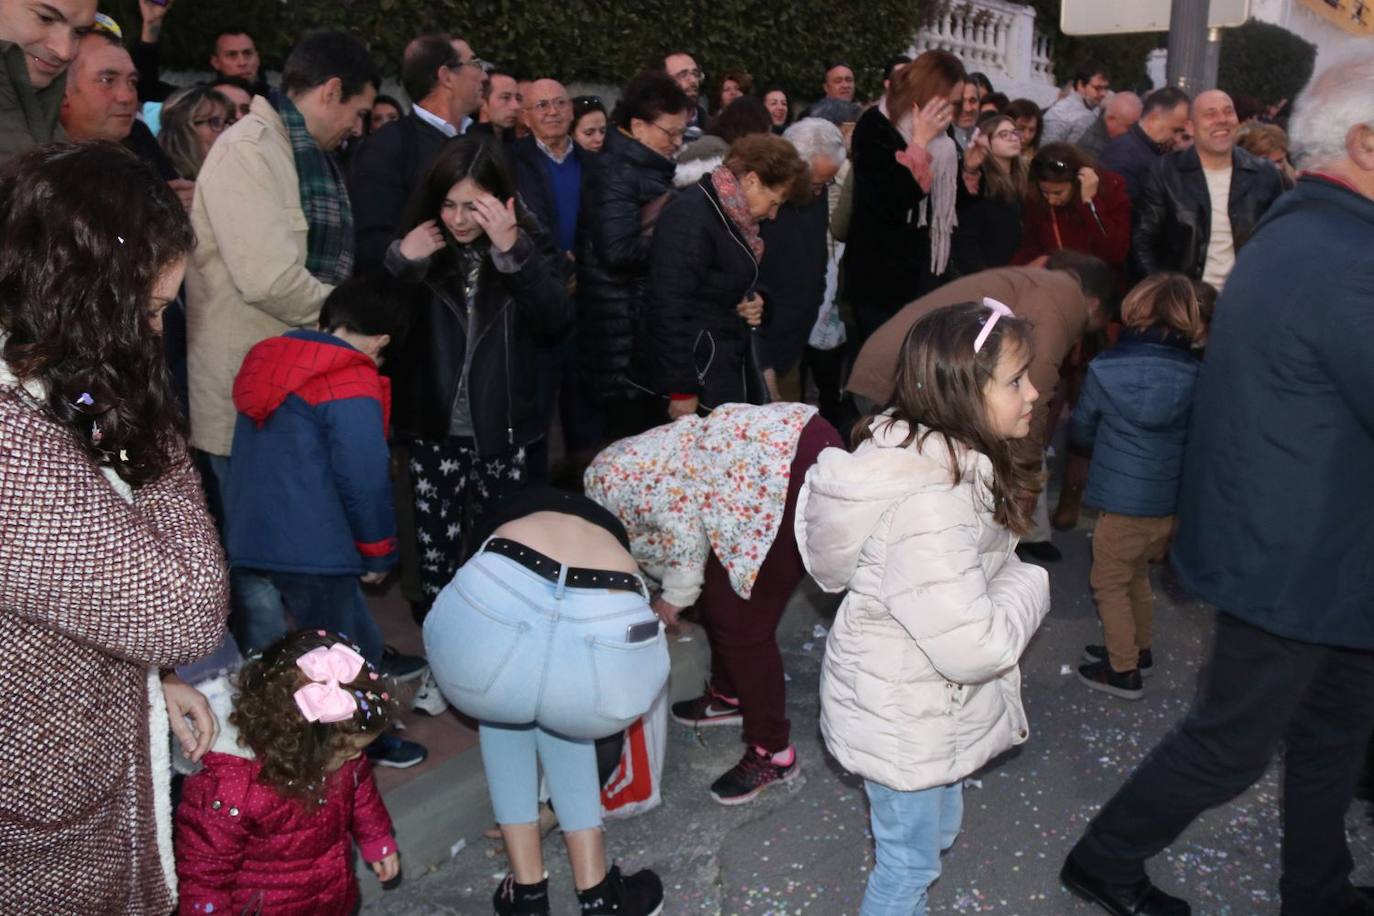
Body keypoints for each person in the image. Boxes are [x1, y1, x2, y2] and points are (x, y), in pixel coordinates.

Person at [1062, 51, 1374, 916]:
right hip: (1295, 555)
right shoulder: (1344, 255)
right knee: (1233, 743)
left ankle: (1318, 888)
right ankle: (1105, 859)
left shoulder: (1310, 229)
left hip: (1320, 543)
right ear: (1365, 142)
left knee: (1334, 730)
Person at [0, 142, 228, 913]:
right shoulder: (12, 443)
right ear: (90, 295)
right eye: (152, 310)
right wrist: (153, 425)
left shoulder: (50, 384)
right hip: (35, 843)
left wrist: (150, 681)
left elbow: (78, 578)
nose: (157, 333)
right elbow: (185, 608)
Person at [798, 300, 1050, 916]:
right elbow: (978, 645)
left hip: (918, 704)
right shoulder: (934, 501)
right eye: (1015, 381)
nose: (1035, 393)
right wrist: (1032, 582)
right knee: (907, 867)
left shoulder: (952, 463)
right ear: (963, 392)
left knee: (930, 836)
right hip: (906, 711)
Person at [187, 29, 378, 651]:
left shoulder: (299, 151)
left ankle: (315, 702)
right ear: (330, 91)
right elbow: (268, 277)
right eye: (356, 111)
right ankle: (283, 713)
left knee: (290, 559)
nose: (356, 128)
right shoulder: (251, 149)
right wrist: (347, 327)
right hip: (251, 399)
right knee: (262, 573)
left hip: (291, 386)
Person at [423, 488, 668, 916]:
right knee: (567, 705)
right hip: (605, 602)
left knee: (503, 706)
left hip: (503, 586)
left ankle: (528, 893)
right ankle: (597, 895)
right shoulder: (605, 527)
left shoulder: (510, 510)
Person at [588, 403, 844, 804]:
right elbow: (679, 537)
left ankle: (773, 753)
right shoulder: (606, 476)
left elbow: (682, 534)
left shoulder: (613, 493)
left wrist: (671, 602)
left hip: (785, 469)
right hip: (790, 444)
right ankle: (732, 695)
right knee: (721, 593)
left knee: (741, 622)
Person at [224, 274, 427, 765]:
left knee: (275, 656)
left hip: (250, 533)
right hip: (312, 542)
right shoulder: (349, 377)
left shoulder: (271, 358)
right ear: (381, 339)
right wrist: (378, 550)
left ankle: (276, 746)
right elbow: (364, 477)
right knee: (345, 655)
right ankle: (359, 748)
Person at [387, 135, 572, 611]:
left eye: (473, 206)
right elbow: (382, 330)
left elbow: (556, 319)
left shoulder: (525, 241)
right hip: (434, 430)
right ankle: (437, 653)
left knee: (500, 555)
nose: (459, 219)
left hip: (502, 431)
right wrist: (401, 265)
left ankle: (487, 655)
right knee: (434, 561)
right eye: (448, 205)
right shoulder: (421, 244)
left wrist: (513, 253)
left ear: (500, 200)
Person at [846, 252, 1114, 562]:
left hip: (895, 370)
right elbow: (1037, 394)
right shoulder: (1066, 298)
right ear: (1093, 304)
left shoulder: (1038, 282)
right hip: (900, 379)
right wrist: (1024, 478)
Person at [175, 630, 400, 915]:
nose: (356, 757)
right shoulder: (231, 790)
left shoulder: (339, 750)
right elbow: (204, 874)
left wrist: (377, 838)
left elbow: (362, 792)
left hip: (332, 893)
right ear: (298, 744)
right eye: (347, 751)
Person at [1070, 274, 1210, 701]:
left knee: (1108, 582)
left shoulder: (1105, 369)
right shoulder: (1199, 375)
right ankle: (1137, 648)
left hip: (1120, 500)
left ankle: (1122, 669)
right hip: (1166, 503)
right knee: (1136, 579)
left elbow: (1082, 430)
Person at [636, 133, 809, 418]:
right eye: (775, 201)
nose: (774, 214)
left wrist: (757, 300)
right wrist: (682, 390)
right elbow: (668, 306)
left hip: (717, 363)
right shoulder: (693, 215)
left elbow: (727, 278)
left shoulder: (733, 214)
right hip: (696, 373)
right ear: (752, 181)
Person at [575, 70, 689, 440]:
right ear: (638, 126)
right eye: (670, 132)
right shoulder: (616, 173)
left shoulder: (637, 167)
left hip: (632, 333)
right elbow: (617, 250)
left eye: (681, 132)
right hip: (621, 342)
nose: (677, 142)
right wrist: (679, 245)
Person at [845, 50, 981, 343]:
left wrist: (969, 169)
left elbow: (950, 209)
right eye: (949, 101)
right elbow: (888, 201)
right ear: (929, 92)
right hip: (878, 276)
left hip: (924, 272)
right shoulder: (875, 124)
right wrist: (918, 143)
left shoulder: (944, 141)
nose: (953, 111)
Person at [349, 33, 486, 274]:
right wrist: (406, 255)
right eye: (475, 64)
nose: (484, 76)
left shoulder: (483, 139)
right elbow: (369, 243)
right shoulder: (386, 146)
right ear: (446, 77)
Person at [1131, 89, 1285, 292]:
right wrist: (1168, 300)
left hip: (1247, 302)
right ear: (1190, 127)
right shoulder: (1164, 173)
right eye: (1210, 114)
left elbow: (1280, 242)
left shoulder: (1265, 175)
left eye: (1228, 112)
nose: (1221, 120)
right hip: (1185, 306)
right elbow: (1143, 242)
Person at [755, 118, 845, 402]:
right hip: (761, 341)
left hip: (797, 335)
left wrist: (815, 298)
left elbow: (815, 251)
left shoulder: (813, 193)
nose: (821, 191)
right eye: (818, 184)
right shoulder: (759, 203)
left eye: (827, 183)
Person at [1012, 143, 1131, 279]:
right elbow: (1031, 245)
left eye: (1058, 193)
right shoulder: (1036, 199)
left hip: (1100, 285)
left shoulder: (1112, 189)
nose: (1051, 200)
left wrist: (1090, 202)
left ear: (1077, 183)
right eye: (1046, 192)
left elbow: (1115, 252)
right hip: (1056, 282)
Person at [951, 112, 1027, 277]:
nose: (1013, 138)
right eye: (1003, 135)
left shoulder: (1021, 182)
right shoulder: (981, 186)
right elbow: (966, 241)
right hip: (986, 276)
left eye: (1015, 133)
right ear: (986, 141)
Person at [1100, 86, 1191, 202]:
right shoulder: (1123, 157)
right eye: (1175, 130)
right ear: (1153, 120)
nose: (1177, 139)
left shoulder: (1144, 150)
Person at [159, 84, 235, 180]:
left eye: (229, 122)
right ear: (184, 128)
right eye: (216, 122)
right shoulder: (161, 181)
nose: (228, 130)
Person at [1041, 64, 1110, 145]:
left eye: (1105, 88)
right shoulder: (1061, 113)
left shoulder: (1095, 107)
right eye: (1097, 88)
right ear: (1080, 85)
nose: (1103, 93)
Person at [1077, 91, 1141, 159]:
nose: (1131, 132)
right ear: (1110, 119)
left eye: (1134, 127)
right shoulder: (1091, 148)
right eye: (1128, 127)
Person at [664, 49, 709, 140]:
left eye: (695, 74)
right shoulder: (652, 129)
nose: (693, 80)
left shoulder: (713, 129)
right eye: (683, 75)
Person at [1237, 121, 1297, 189]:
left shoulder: (1290, 182)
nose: (1275, 167)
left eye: (1279, 161)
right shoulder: (1239, 185)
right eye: (1266, 162)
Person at [475, 70, 521, 141]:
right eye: (506, 97)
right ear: (483, 100)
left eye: (517, 98)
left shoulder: (518, 146)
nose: (516, 106)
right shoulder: (467, 148)